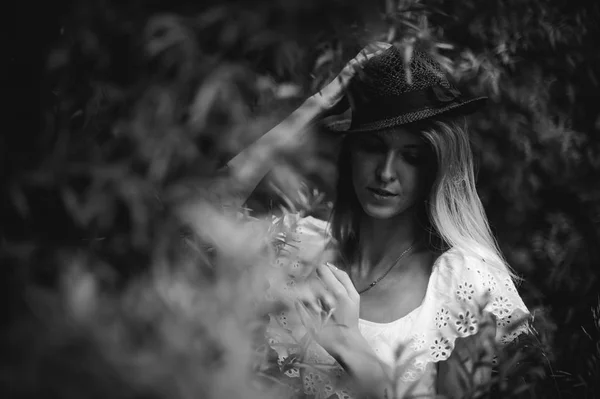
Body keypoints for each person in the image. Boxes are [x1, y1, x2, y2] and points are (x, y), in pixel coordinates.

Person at [196, 43, 530, 398]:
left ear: (437, 167)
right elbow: (193, 222)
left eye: (411, 157)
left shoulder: (467, 282)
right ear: (350, 153)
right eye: (372, 146)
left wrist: (351, 346)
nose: (386, 173)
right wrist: (315, 106)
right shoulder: (298, 245)